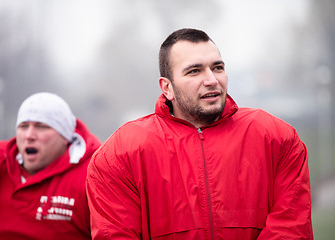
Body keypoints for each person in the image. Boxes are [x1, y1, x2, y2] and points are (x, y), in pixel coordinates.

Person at [86, 28, 313, 239]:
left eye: (218, 68)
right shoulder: (119, 155)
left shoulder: (276, 137)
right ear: (167, 87)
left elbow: (291, 229)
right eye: (194, 71)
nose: (212, 80)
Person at [0, 92, 101, 240]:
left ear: (65, 137)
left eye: (41, 127)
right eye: (23, 126)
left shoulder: (93, 176)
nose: (29, 135)